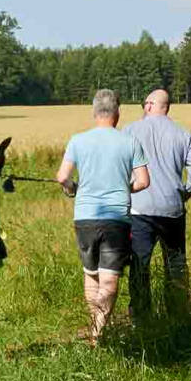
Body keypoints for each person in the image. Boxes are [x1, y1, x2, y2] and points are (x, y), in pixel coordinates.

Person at [55, 89, 149, 341]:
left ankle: (95, 328)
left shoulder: (77, 140)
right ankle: (99, 331)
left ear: (94, 113)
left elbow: (62, 177)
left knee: (91, 274)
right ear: (117, 114)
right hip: (116, 219)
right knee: (110, 280)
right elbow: (143, 181)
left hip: (84, 218)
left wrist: (72, 188)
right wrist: (123, 186)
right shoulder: (130, 142)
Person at [124, 88, 191, 317]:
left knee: (140, 264)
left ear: (149, 105)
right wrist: (184, 193)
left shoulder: (130, 131)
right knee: (176, 266)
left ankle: (141, 316)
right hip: (173, 210)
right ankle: (177, 314)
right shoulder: (182, 133)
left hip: (140, 209)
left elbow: (118, 166)